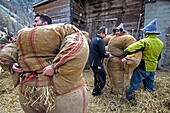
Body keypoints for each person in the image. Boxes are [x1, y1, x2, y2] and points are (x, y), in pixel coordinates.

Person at [0, 14, 89, 113]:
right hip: (31, 92)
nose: (33, 24)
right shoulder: (24, 38)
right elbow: (7, 52)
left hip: (52, 91)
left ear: (45, 23)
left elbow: (76, 47)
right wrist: (12, 65)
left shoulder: (60, 31)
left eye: (36, 21)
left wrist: (54, 66)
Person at [122, 19, 164, 101]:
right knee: (150, 86)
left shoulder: (144, 42)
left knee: (134, 84)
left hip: (142, 67)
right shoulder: (161, 43)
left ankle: (130, 99)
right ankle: (149, 100)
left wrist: (124, 53)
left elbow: (130, 49)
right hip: (153, 68)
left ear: (147, 33)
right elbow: (159, 57)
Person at [106, 23, 142, 95]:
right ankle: (113, 90)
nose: (117, 32)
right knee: (112, 78)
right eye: (115, 31)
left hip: (118, 63)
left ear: (122, 31)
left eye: (118, 31)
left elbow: (133, 49)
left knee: (118, 79)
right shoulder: (113, 38)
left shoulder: (128, 38)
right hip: (110, 62)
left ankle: (118, 94)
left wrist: (128, 59)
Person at [89, 26, 112, 96]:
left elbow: (98, 51)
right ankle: (96, 92)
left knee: (97, 77)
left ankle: (96, 90)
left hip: (92, 62)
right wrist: (108, 55)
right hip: (96, 63)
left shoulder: (94, 39)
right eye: (105, 34)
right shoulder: (100, 41)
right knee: (102, 77)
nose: (105, 36)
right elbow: (103, 53)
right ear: (101, 33)